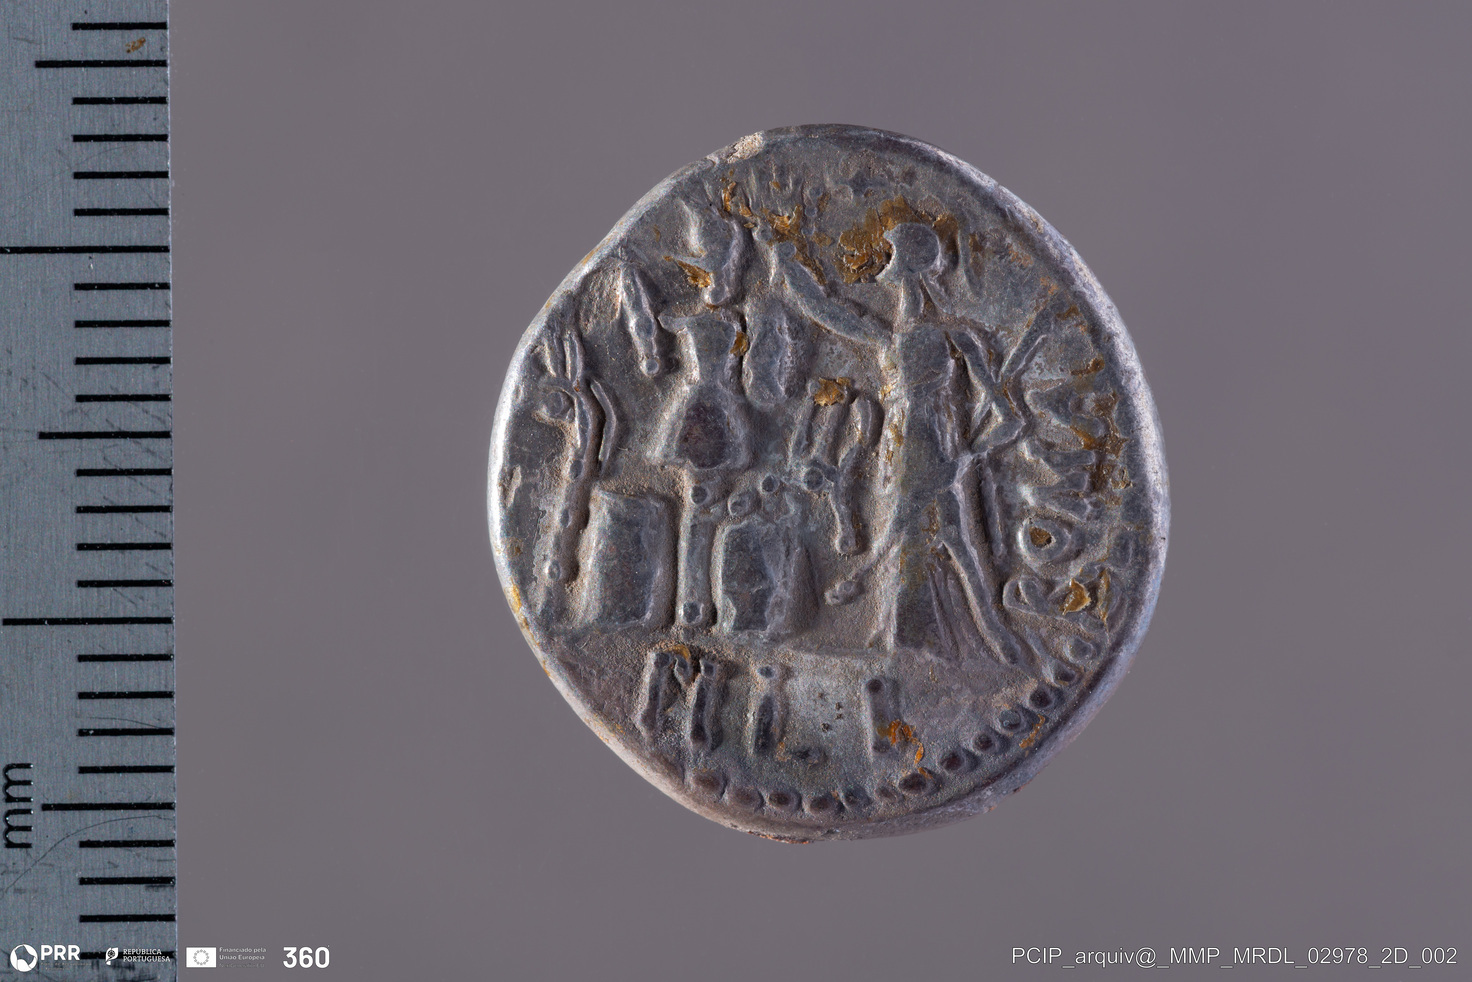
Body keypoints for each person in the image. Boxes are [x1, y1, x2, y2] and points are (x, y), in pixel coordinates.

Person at [777, 223, 1040, 662]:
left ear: (910, 267)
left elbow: (1012, 419)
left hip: (932, 448)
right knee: (947, 541)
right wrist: (789, 265)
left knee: (950, 540)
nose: (883, 268)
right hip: (901, 451)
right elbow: (827, 310)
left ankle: (991, 637)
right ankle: (965, 636)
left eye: (891, 257)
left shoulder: (955, 339)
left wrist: (965, 457)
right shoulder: (892, 338)